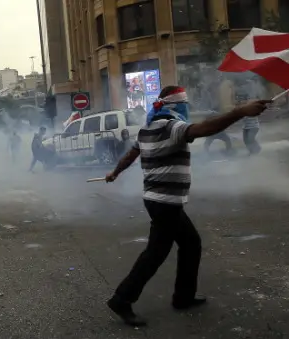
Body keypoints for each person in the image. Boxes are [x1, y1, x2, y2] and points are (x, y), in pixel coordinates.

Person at [104, 85, 271, 326]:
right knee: (155, 253)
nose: (186, 110)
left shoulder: (146, 128)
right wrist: (240, 112)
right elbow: (206, 129)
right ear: (176, 106)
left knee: (191, 244)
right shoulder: (172, 126)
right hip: (165, 202)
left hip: (157, 199)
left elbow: (131, 155)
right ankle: (122, 299)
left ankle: (183, 296)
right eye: (184, 106)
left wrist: (115, 172)